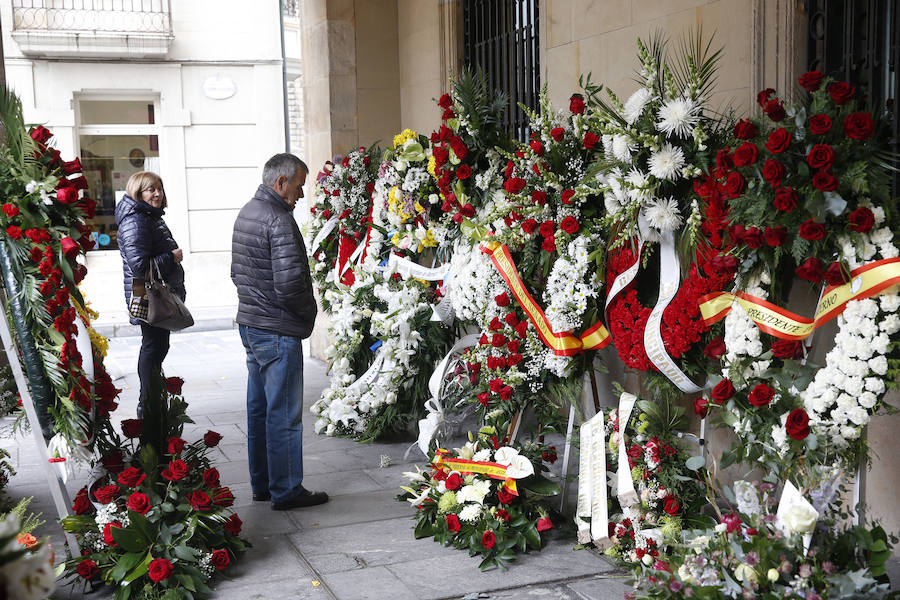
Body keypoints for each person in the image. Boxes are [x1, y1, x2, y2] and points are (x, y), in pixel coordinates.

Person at [230, 153, 327, 510]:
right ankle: (287, 489)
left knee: (259, 410)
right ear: (281, 182)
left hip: (252, 325)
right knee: (284, 414)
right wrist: (309, 313)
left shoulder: (248, 212)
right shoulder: (278, 219)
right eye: (299, 186)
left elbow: (236, 273)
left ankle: (263, 485)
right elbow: (289, 286)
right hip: (277, 330)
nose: (301, 195)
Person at [116, 171, 185, 418]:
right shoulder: (137, 220)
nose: (157, 193)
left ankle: (152, 397)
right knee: (152, 345)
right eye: (150, 189)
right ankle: (147, 403)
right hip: (146, 292)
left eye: (159, 188)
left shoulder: (148, 216)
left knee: (158, 345)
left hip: (152, 291)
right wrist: (172, 257)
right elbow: (140, 267)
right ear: (138, 192)